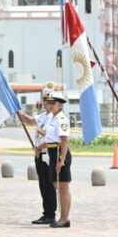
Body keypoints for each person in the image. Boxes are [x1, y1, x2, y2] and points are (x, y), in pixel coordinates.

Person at [17, 84, 57, 225]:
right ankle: (46, 213)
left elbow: (52, 137)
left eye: (50, 100)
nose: (47, 102)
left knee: (48, 184)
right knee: (43, 184)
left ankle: (50, 214)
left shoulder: (54, 117)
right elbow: (29, 120)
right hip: (39, 154)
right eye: (46, 99)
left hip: (47, 154)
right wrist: (17, 111)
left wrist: (40, 146)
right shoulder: (43, 116)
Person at [38, 91, 72, 228]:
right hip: (52, 152)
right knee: (57, 186)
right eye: (49, 103)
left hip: (59, 153)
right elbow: (51, 139)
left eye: (53, 103)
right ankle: (61, 217)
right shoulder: (52, 118)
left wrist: (62, 160)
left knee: (63, 187)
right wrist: (41, 145)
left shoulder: (62, 119)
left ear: (60, 105)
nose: (50, 105)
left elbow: (64, 141)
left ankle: (65, 219)